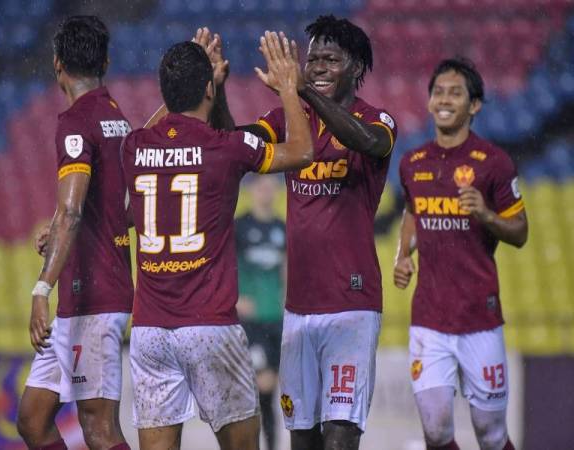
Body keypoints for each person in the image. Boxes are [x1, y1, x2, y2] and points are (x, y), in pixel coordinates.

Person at [120, 30, 313, 450]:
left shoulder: (134, 148)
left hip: (150, 329)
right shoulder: (226, 147)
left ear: (165, 91)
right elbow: (301, 150)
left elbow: (159, 127)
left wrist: (183, 86)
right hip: (209, 326)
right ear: (210, 88)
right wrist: (287, 89)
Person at [246, 15, 398, 450]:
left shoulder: (377, 118)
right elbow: (239, 145)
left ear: (355, 67)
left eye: (330, 60)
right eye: (311, 61)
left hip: (351, 305)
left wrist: (300, 88)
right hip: (299, 308)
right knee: (302, 438)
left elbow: (367, 143)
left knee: (340, 437)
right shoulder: (290, 119)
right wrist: (216, 94)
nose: (317, 68)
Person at [394, 57, 527, 450]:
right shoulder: (412, 163)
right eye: (438, 92)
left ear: (475, 105)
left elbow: (520, 233)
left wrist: (485, 213)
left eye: (455, 93)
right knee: (435, 431)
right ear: (430, 101)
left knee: (491, 434)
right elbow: (412, 213)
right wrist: (403, 255)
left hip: (479, 320)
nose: (444, 99)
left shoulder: (495, 163)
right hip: (429, 320)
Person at [17, 16, 133, 450]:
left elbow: (73, 211)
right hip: (85, 294)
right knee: (32, 420)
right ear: (104, 60)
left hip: (95, 296)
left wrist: (39, 288)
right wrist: (61, 221)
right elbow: (110, 203)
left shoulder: (76, 120)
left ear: (57, 64)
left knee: (99, 428)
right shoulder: (116, 117)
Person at [235, 174, 286, 450]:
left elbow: (286, 270)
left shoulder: (281, 228)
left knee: (268, 394)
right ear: (252, 189)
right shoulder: (240, 227)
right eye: (261, 185)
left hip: (275, 321)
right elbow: (223, 265)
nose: (266, 191)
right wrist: (234, 298)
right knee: (261, 389)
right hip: (250, 322)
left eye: (271, 186)